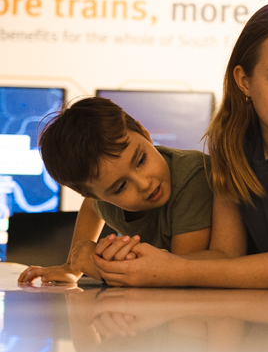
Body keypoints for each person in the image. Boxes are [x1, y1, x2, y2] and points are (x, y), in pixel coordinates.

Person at [91, 0, 268, 289]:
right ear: (243, 81)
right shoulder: (233, 140)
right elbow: (225, 255)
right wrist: (141, 261)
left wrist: (170, 269)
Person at [17, 97, 213, 285]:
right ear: (95, 195)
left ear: (145, 133)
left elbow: (178, 274)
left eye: (141, 160)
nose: (144, 183)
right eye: (120, 187)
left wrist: (93, 265)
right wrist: (72, 267)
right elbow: (92, 206)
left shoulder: (193, 176)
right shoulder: (101, 198)